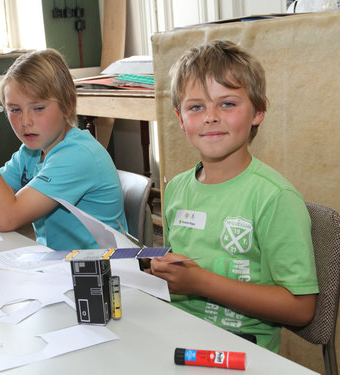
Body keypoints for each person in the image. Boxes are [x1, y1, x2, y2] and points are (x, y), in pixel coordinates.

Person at [147, 40, 318, 352]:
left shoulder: (275, 198)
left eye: (227, 104)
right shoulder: (177, 189)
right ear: (180, 119)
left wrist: (199, 282)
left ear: (258, 111)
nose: (210, 116)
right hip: (174, 333)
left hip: (241, 349)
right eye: (196, 106)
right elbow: (179, 269)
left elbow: (301, 308)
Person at [0, 48, 127, 251]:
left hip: (103, 272)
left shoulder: (78, 155)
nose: (25, 121)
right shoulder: (31, 152)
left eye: (38, 108)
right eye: (15, 110)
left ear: (67, 105)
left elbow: (5, 218)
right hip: (58, 266)